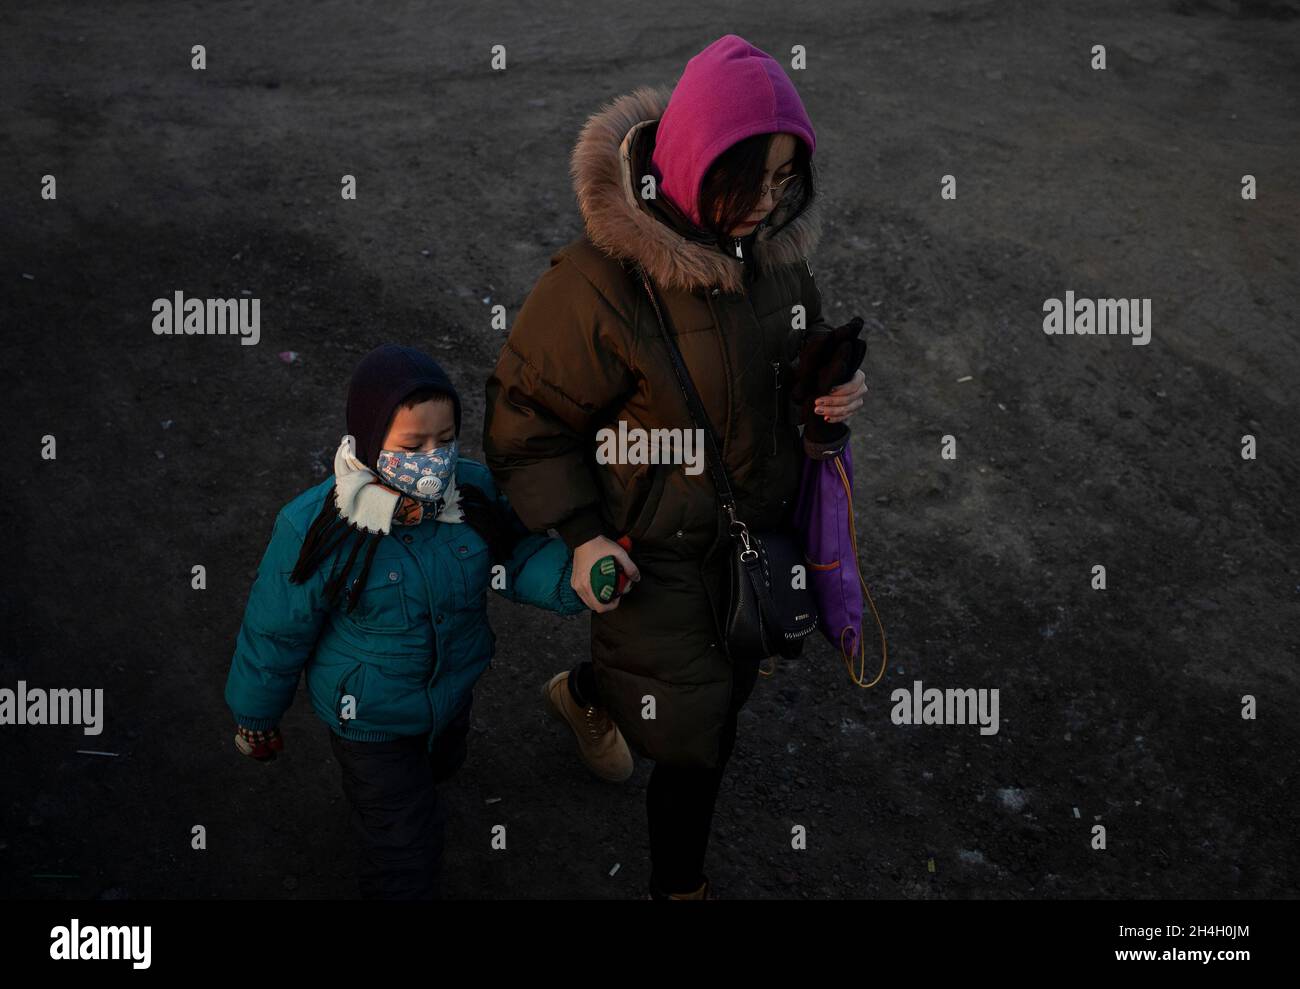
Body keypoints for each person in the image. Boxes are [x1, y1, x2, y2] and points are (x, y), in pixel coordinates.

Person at [483, 34, 867, 899]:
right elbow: (524, 418)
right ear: (693, 162)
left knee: (705, 695)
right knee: (700, 735)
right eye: (749, 179)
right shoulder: (595, 287)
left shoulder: (775, 262)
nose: (767, 204)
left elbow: (785, 366)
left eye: (783, 180)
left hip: (743, 544)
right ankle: (679, 886)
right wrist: (579, 536)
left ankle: (584, 693)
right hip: (646, 553)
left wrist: (827, 396)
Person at [225, 343, 585, 898]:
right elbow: (276, 629)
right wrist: (255, 714)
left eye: (444, 440)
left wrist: (574, 578)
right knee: (404, 849)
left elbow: (516, 555)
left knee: (443, 765)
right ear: (371, 442)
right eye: (412, 445)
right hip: (368, 717)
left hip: (451, 692)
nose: (433, 457)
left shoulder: (472, 492)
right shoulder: (318, 527)